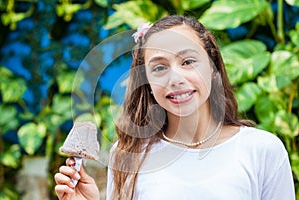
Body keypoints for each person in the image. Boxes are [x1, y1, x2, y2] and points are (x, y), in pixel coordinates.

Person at [54, 15, 295, 200]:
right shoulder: (128, 154)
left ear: (212, 67)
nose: (175, 78)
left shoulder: (262, 149)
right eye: (159, 67)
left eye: (188, 61)